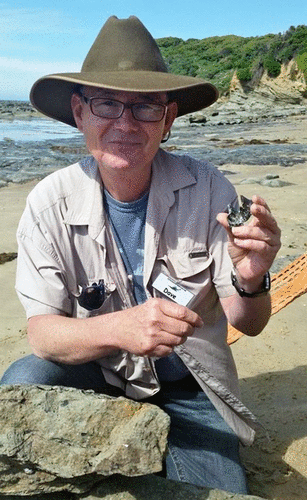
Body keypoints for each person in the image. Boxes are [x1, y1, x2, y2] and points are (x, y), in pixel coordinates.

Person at [1, 16, 281, 494]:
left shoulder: (211, 190)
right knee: (24, 379)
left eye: (145, 108)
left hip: (192, 388)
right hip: (98, 373)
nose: (125, 123)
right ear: (80, 112)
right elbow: (43, 336)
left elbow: (247, 323)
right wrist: (121, 329)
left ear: (168, 119)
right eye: (107, 103)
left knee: (212, 492)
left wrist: (251, 278)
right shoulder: (48, 203)